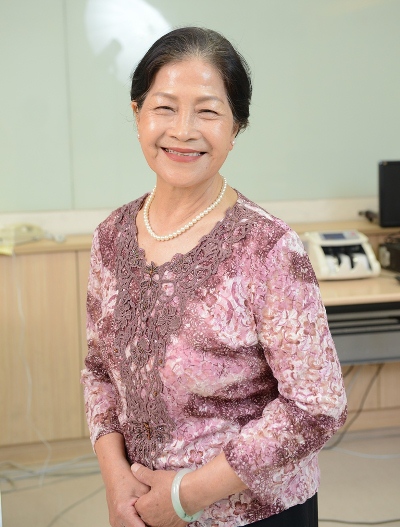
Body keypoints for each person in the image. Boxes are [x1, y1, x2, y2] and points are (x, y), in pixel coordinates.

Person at [81, 26, 347, 527]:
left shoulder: (268, 247)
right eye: (164, 107)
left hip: (257, 515)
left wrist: (186, 495)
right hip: (143, 509)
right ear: (137, 114)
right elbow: (98, 371)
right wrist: (116, 482)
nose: (183, 131)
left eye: (207, 111)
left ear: (236, 126)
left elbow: (317, 406)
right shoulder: (111, 237)